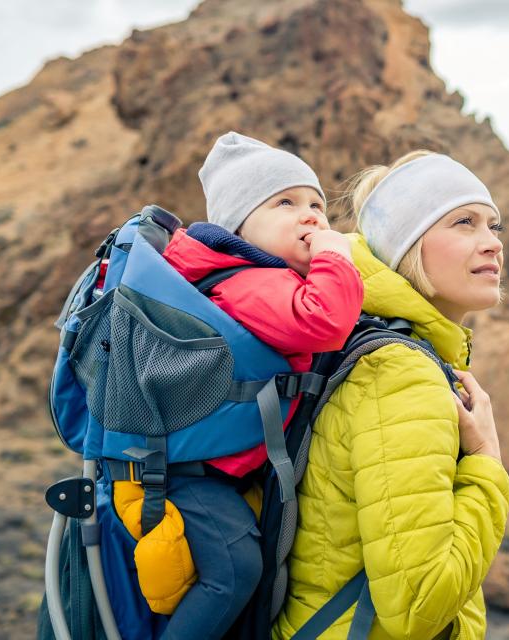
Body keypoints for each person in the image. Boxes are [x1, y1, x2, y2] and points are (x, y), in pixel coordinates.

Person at [125, 131, 365, 638]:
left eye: (318, 205)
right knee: (235, 571)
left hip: (207, 465)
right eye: (286, 202)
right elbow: (324, 322)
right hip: (190, 476)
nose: (311, 216)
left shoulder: (250, 275)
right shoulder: (250, 282)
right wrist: (335, 256)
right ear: (240, 226)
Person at [273, 151, 509, 640]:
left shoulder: (367, 340)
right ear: (408, 246)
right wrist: (488, 461)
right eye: (464, 223)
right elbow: (418, 605)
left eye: (494, 225)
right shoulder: (402, 376)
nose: (492, 244)